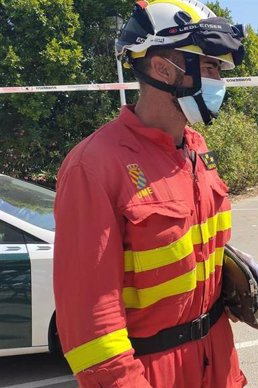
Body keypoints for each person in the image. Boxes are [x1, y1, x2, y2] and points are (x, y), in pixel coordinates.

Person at [53, 1, 247, 386]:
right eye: (208, 67)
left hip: (218, 362)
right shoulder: (93, 166)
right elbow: (92, 332)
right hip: (154, 373)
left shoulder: (196, 147)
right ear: (162, 67)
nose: (218, 81)